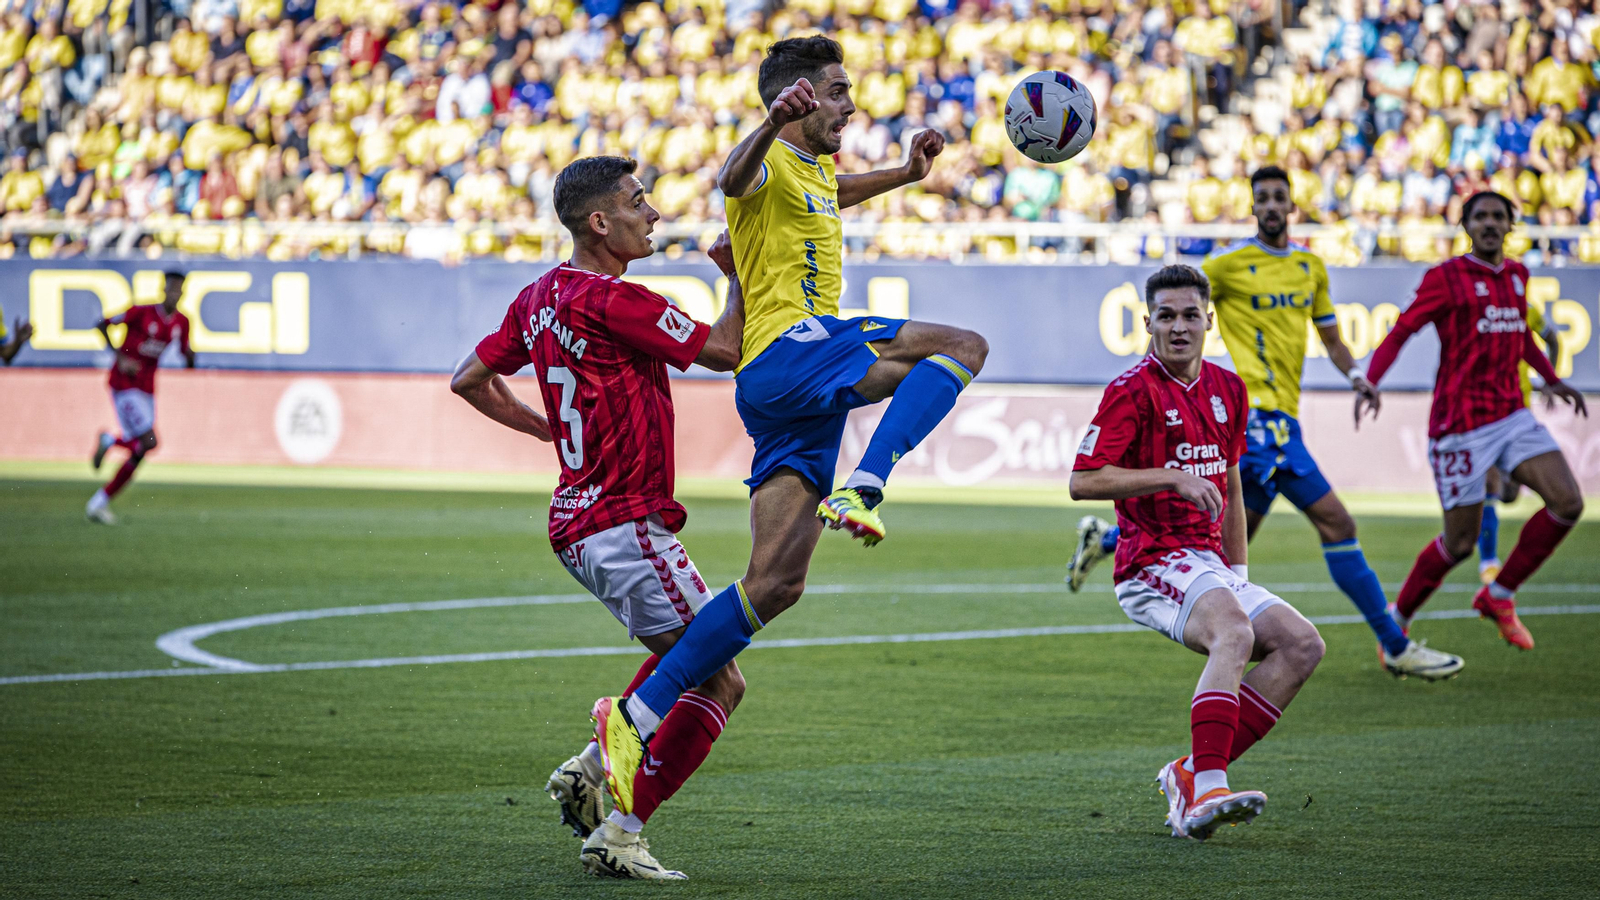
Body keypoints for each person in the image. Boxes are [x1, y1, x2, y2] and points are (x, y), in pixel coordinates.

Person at [586, 36, 989, 822]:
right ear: (799, 96)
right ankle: (867, 485)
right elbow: (731, 180)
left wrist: (907, 175)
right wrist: (769, 124)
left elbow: (832, 196)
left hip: (781, 393)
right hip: (792, 349)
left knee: (775, 583)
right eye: (837, 92)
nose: (851, 105)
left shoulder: (814, 173)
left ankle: (632, 718)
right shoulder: (768, 160)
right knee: (962, 348)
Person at [449, 156, 747, 881]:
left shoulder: (539, 297)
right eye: (639, 202)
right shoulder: (621, 301)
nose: (653, 214)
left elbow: (468, 379)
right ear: (599, 221)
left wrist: (544, 431)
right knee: (720, 681)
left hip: (578, 522)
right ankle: (620, 828)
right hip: (624, 520)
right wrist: (737, 275)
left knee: (688, 663)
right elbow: (726, 350)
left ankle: (592, 768)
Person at [1069, 166, 1464, 681]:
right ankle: (1393, 643)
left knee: (1220, 526)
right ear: (1254, 207)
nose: (1272, 206)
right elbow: (1182, 302)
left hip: (1280, 421)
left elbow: (1331, 338)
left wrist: (1356, 376)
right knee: (1314, 523)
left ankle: (1111, 540)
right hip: (1249, 419)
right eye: (1263, 199)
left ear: (1292, 204)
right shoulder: (1228, 266)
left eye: (1280, 197)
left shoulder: (1311, 268)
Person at [1070, 265, 1324, 841]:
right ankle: (1209, 786)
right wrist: (1169, 478)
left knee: (1302, 644)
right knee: (1233, 634)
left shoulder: (1229, 388)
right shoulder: (1130, 391)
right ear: (1148, 323)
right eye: (1166, 316)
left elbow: (1231, 485)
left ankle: (1190, 772)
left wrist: (1237, 574)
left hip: (1208, 566)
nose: (1178, 327)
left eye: (1190, 315)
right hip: (1151, 561)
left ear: (1209, 320)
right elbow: (1083, 481)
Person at [1362, 192, 1587, 651]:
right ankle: (1396, 622)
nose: (1489, 223)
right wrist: (1371, 379)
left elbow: (1519, 334)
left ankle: (1499, 595)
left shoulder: (1519, 276)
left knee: (1568, 502)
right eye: (1480, 216)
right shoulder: (1445, 278)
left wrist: (1551, 378)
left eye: (1497, 217)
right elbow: (1403, 329)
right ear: (1465, 225)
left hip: (1511, 414)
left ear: (1511, 225)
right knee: (1459, 543)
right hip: (1460, 426)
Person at [87, 272, 195, 525]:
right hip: (124, 384)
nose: (174, 293)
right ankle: (99, 498)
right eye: (171, 288)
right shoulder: (140, 312)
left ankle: (99, 500)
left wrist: (191, 356)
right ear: (163, 289)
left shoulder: (182, 322)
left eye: (179, 289)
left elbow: (187, 359)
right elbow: (102, 324)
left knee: (143, 447)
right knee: (149, 441)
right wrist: (120, 357)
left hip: (147, 389)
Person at [1478, 303, 1562, 584]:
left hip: (1517, 412)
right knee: (1490, 484)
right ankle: (1489, 562)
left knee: (1509, 495)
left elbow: (1551, 338)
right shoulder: (1473, 306)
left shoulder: (1525, 308)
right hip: (1482, 410)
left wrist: (1549, 379)